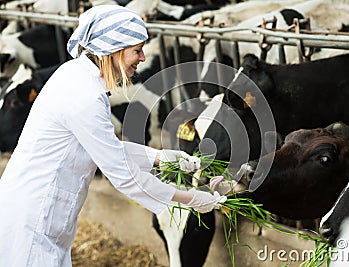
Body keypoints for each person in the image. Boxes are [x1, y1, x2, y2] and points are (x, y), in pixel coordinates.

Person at [0, 5, 226, 267]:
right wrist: (189, 199)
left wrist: (161, 158)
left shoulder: (76, 77)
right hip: (31, 223)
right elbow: (124, 175)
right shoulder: (84, 96)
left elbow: (104, 148)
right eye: (137, 50)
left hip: (39, 216)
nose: (142, 58)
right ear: (114, 49)